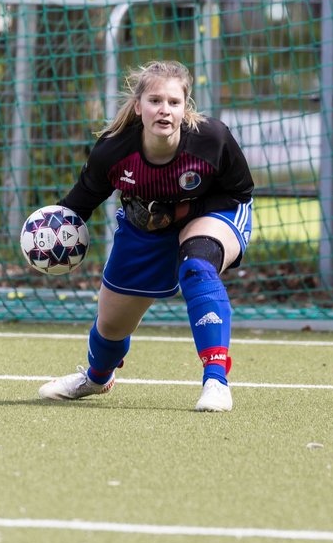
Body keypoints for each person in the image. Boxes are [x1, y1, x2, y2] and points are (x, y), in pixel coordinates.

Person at [36, 59, 254, 412]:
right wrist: (48, 238)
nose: (164, 110)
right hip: (144, 230)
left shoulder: (212, 139)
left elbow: (239, 193)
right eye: (155, 101)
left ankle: (216, 380)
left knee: (197, 266)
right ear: (138, 107)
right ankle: (96, 377)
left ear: (185, 108)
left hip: (213, 214)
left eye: (173, 102)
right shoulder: (113, 151)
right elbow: (79, 204)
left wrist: (180, 212)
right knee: (110, 326)